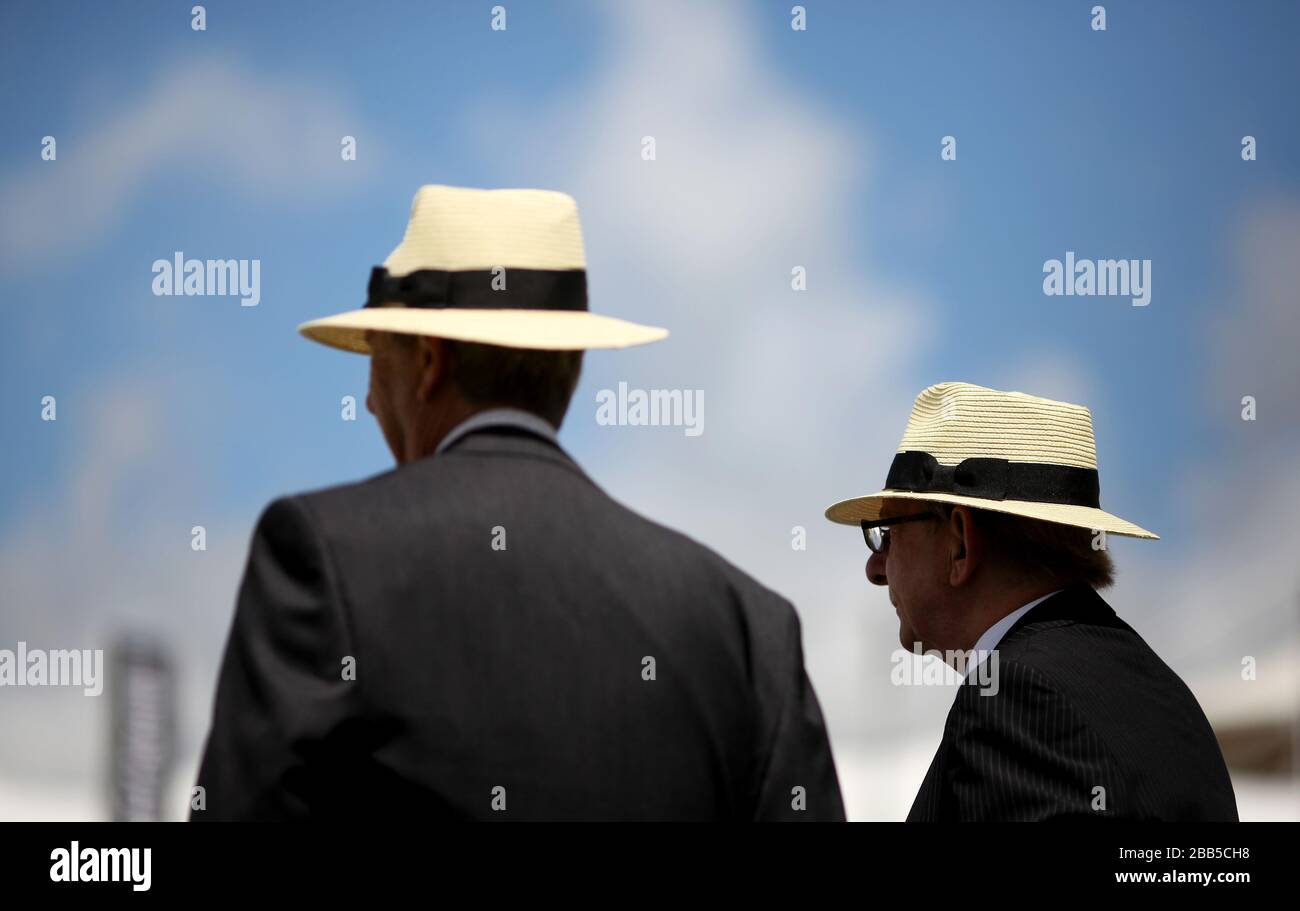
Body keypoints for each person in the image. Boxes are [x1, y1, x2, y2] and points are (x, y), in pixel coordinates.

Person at [191, 184, 844, 821]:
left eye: (376, 359)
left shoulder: (321, 554)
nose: (366, 400)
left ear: (428, 360)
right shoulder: (748, 625)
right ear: (570, 364)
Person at [824, 381, 1237, 821]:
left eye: (888, 534)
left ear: (960, 543)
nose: (875, 568)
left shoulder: (1017, 696)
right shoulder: (1162, 693)